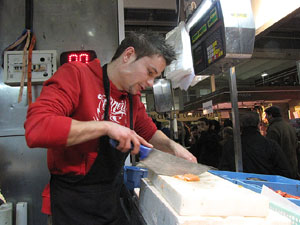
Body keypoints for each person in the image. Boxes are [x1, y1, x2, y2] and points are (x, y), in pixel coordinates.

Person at [24, 32, 196, 225]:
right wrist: (106, 127)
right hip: (70, 205)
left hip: (108, 203)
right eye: (149, 72)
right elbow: (37, 128)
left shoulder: (133, 98)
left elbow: (148, 131)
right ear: (128, 55)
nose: (150, 83)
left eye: (155, 77)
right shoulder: (77, 75)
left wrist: (173, 147)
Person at [218, 112, 293, 178]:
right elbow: (285, 171)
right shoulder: (270, 145)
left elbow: (224, 169)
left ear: (240, 125)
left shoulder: (230, 145)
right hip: (267, 188)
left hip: (239, 188)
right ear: (258, 124)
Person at [265, 106, 299, 178]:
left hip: (281, 166)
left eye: (266, 115)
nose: (266, 117)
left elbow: (271, 149)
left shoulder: (273, 129)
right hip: (293, 163)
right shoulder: (288, 126)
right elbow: (296, 144)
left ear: (271, 115)